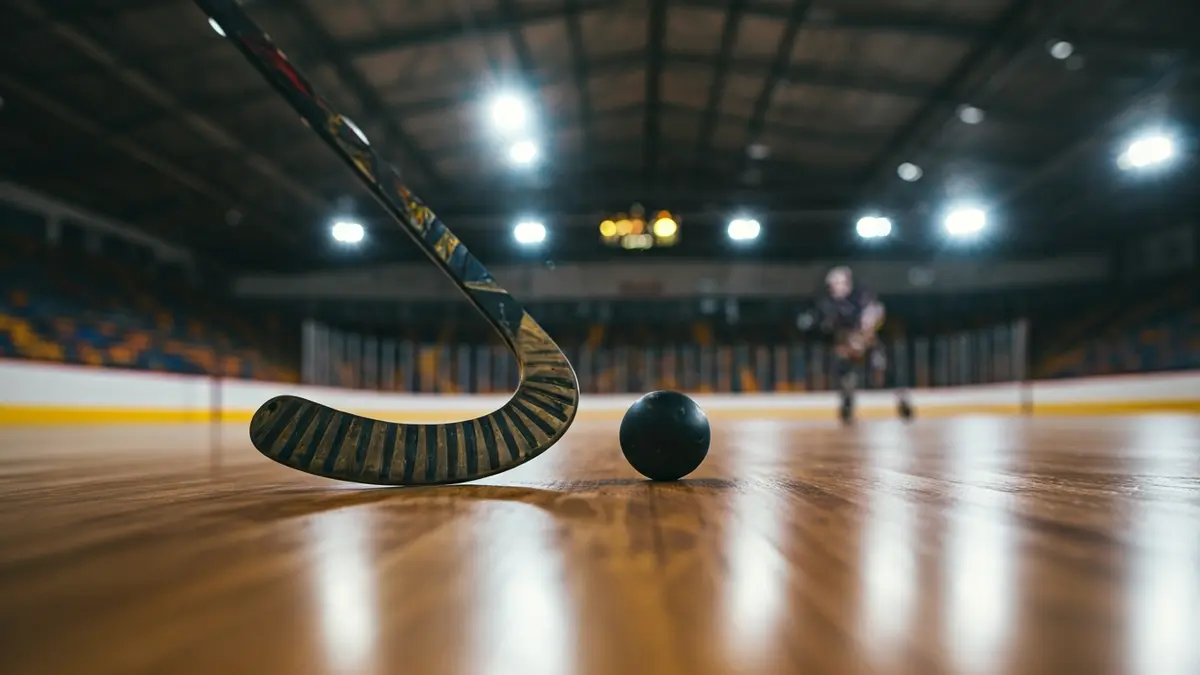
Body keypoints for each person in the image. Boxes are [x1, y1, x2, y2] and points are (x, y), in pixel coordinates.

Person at [798, 266, 913, 424]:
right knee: (845, 372)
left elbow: (875, 315)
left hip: (866, 340)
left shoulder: (862, 297)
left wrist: (863, 335)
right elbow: (826, 327)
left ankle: (903, 401)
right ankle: (847, 404)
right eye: (833, 285)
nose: (835, 288)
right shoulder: (827, 303)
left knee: (885, 371)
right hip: (847, 343)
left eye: (838, 284)